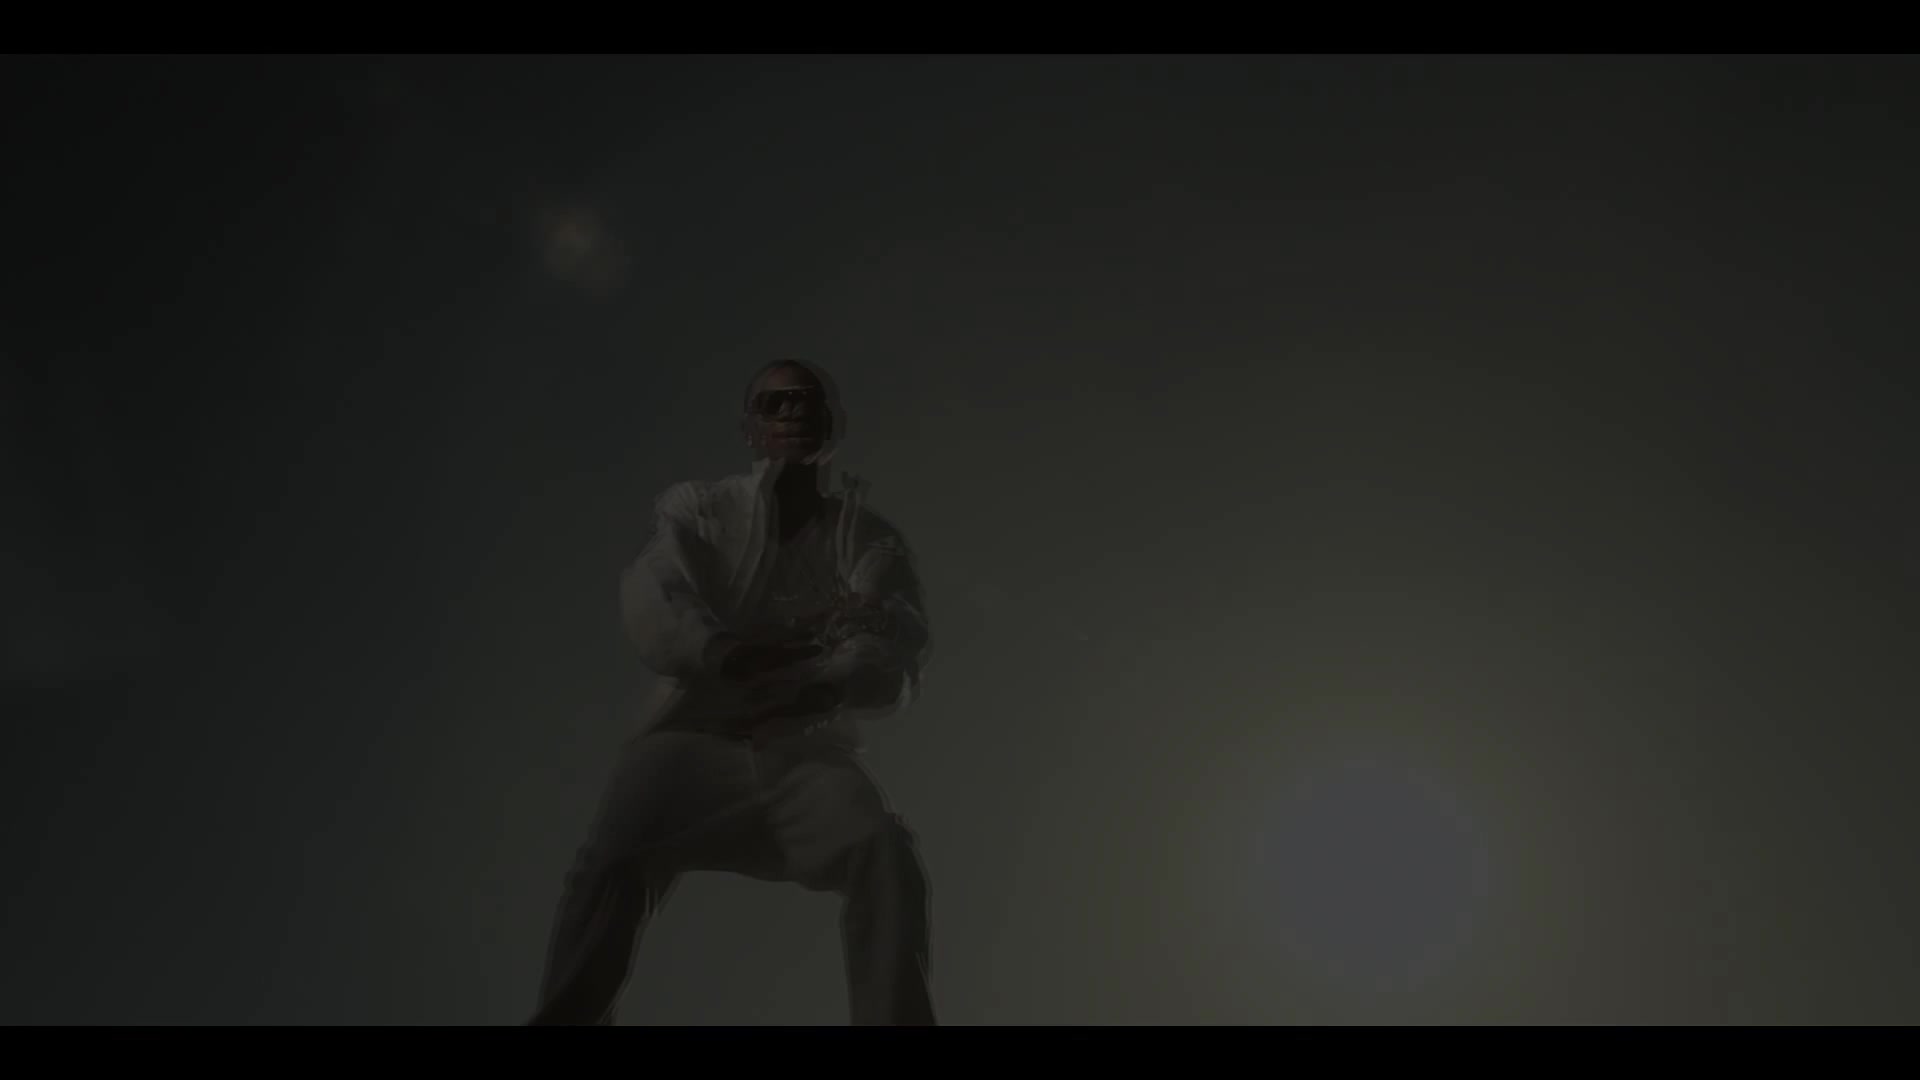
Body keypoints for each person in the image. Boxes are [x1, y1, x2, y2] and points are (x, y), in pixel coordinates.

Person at [528, 359, 936, 1026]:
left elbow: (894, 634)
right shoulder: (701, 509)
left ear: (831, 425)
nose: (792, 412)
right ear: (750, 428)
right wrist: (725, 652)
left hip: (802, 752)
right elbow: (656, 589)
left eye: (806, 402)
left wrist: (829, 685)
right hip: (693, 740)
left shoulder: (866, 536)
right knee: (612, 855)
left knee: (883, 852)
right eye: (774, 403)